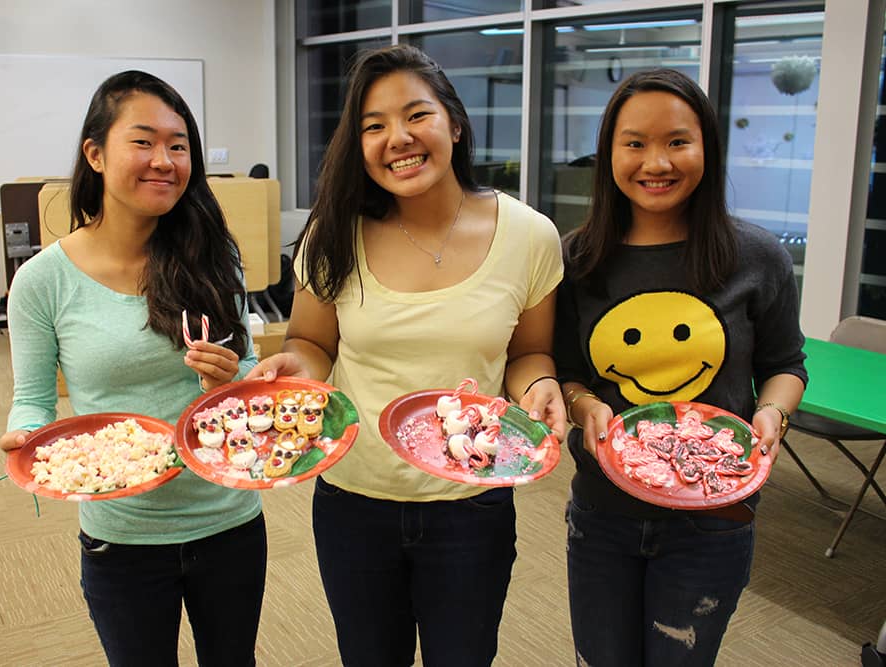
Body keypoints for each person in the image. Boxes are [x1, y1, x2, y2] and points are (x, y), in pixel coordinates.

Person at [245, 44, 566, 667]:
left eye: (417, 115)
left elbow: (529, 352)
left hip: (472, 500)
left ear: (455, 123)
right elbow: (313, 343)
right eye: (374, 126)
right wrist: (296, 369)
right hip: (354, 500)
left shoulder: (529, 235)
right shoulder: (334, 232)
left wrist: (538, 387)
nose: (398, 138)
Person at [0, 71, 266, 666]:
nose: (164, 161)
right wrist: (27, 435)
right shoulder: (42, 281)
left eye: (179, 145)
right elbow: (33, 400)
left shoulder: (213, 253)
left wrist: (229, 380)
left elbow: (247, 371)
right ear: (95, 154)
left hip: (228, 517)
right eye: (143, 142)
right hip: (122, 532)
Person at [554, 68, 808, 666]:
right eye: (635, 143)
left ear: (706, 148)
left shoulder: (756, 256)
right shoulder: (577, 259)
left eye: (677, 141)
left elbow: (786, 364)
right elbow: (562, 370)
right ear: (609, 154)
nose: (657, 162)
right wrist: (581, 403)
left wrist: (772, 413)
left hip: (713, 516)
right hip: (604, 511)